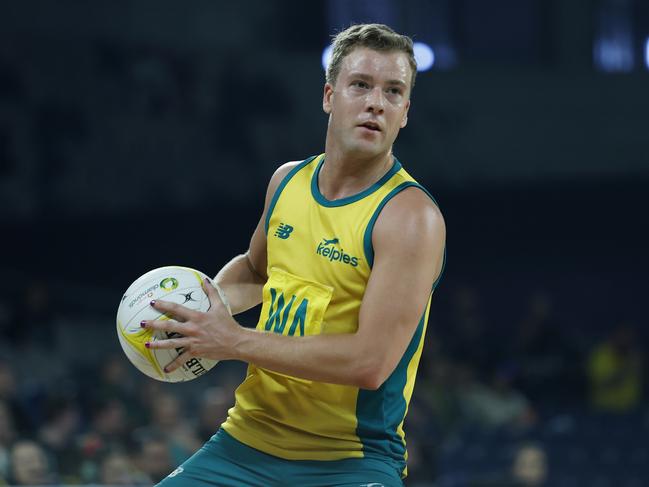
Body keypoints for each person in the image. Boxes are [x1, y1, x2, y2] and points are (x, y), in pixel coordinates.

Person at [143, 23, 446, 487]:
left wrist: (231, 341)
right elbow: (254, 270)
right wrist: (201, 310)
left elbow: (369, 362)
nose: (376, 103)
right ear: (329, 96)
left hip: (350, 461)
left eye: (393, 92)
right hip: (245, 444)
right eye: (361, 85)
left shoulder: (409, 218)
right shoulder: (287, 181)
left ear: (404, 112)